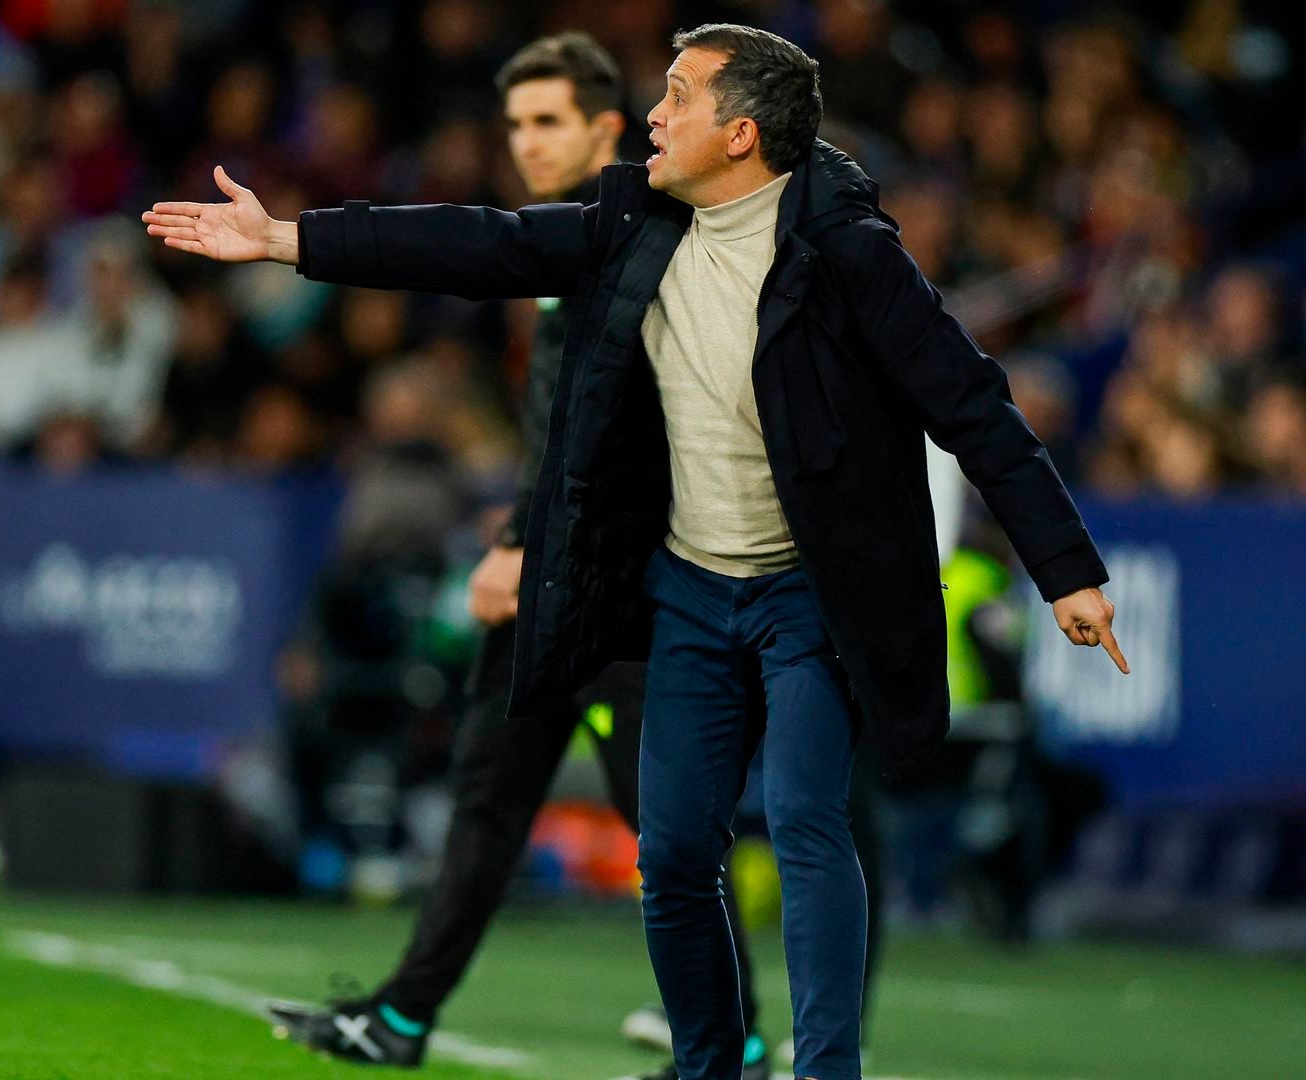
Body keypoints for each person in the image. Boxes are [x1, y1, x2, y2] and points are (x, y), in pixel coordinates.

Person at [145, 23, 1127, 1080]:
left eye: (677, 96)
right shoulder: (635, 217)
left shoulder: (848, 251)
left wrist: (1063, 566)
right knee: (671, 855)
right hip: (688, 591)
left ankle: (828, 1069)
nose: (652, 115)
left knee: (804, 820)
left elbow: (971, 404)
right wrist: (294, 240)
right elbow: (489, 246)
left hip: (814, 592)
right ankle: (712, 1065)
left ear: (741, 134)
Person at [263, 34, 769, 1080]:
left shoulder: (652, 242)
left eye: (548, 123)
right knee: (488, 805)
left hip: (638, 592)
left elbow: (620, 433)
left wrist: (514, 538)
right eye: (514, 126)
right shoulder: (567, 246)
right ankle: (401, 1020)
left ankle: (738, 1042)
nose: (526, 144)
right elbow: (556, 426)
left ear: (605, 130)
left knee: (667, 832)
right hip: (553, 583)